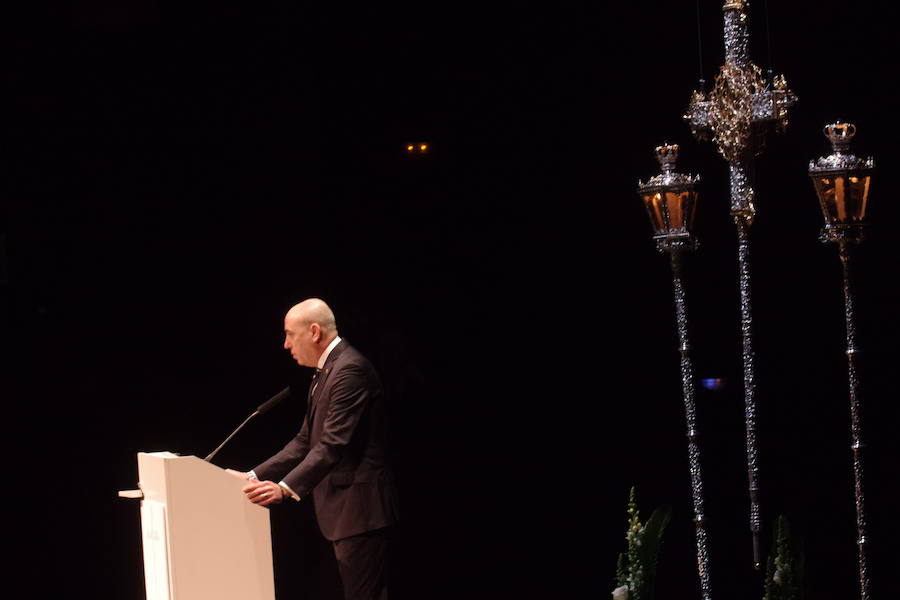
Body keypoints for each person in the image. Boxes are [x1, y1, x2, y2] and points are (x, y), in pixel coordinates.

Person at [230, 298, 398, 600]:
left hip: (360, 512)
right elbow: (304, 442)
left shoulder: (350, 371)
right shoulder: (326, 372)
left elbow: (331, 445)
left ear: (315, 332)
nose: (285, 344)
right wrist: (252, 474)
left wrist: (283, 488)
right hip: (344, 512)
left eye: (290, 334)